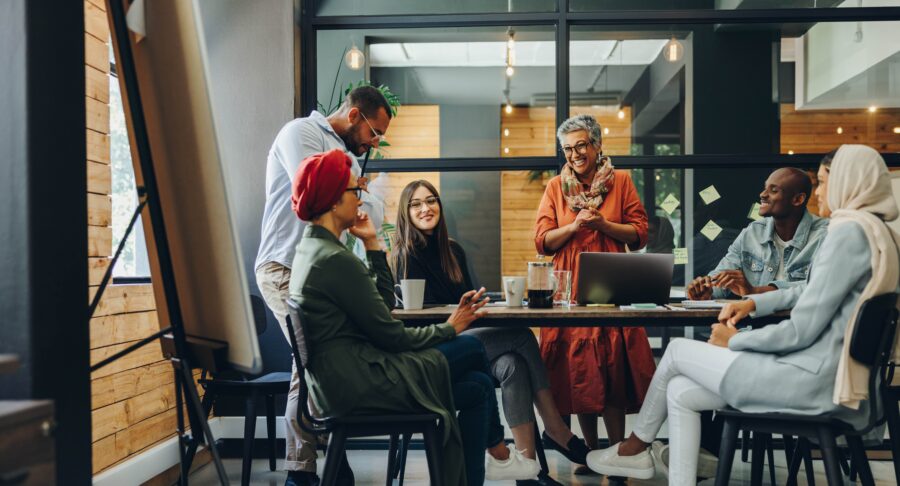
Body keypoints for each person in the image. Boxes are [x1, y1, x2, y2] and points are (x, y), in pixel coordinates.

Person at [585, 144, 900, 485]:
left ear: (849, 182)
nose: (820, 192)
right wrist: (753, 303)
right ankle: (656, 466)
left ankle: (633, 449)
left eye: (824, 183)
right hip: (827, 375)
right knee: (678, 390)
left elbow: (802, 330)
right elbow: (810, 292)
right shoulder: (879, 233)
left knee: (676, 351)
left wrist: (737, 340)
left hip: (810, 380)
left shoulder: (846, 233)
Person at [289, 149, 538, 486]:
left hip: (343, 382)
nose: (359, 197)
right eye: (354, 190)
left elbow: (379, 305)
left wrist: (374, 245)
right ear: (334, 200)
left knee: (479, 387)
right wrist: (450, 328)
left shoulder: (313, 251)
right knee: (471, 349)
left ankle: (492, 462)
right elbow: (392, 335)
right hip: (361, 384)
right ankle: (499, 452)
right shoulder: (334, 260)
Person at [391, 180, 591, 486]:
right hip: (436, 347)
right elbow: (418, 322)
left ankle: (528, 468)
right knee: (522, 337)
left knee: (513, 364)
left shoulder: (452, 250)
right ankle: (555, 428)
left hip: (465, 338)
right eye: (416, 204)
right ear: (406, 212)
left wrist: (480, 302)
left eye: (431, 201)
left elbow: (467, 305)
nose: (425, 208)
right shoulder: (404, 255)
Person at [254, 86, 392, 486]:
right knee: (309, 356)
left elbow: (358, 208)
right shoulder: (300, 132)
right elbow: (320, 190)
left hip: (318, 271)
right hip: (284, 267)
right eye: (374, 131)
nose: (375, 141)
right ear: (354, 116)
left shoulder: (345, 152)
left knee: (322, 355)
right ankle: (303, 469)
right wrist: (357, 185)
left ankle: (325, 458)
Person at [533, 114, 655, 460]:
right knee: (579, 370)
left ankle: (616, 451)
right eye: (568, 149)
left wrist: (603, 224)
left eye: (581, 146)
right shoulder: (556, 187)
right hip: (568, 288)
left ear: (597, 145)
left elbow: (639, 234)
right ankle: (590, 451)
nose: (574, 155)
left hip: (612, 283)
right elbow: (542, 241)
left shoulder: (621, 181)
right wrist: (573, 227)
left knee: (612, 365)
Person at [687, 167, 828, 300]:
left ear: (798, 199)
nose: (762, 194)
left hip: (800, 325)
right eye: (765, 188)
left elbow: (818, 288)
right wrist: (707, 289)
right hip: (753, 325)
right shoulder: (752, 232)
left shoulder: (825, 235)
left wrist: (754, 291)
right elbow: (722, 274)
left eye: (773, 190)